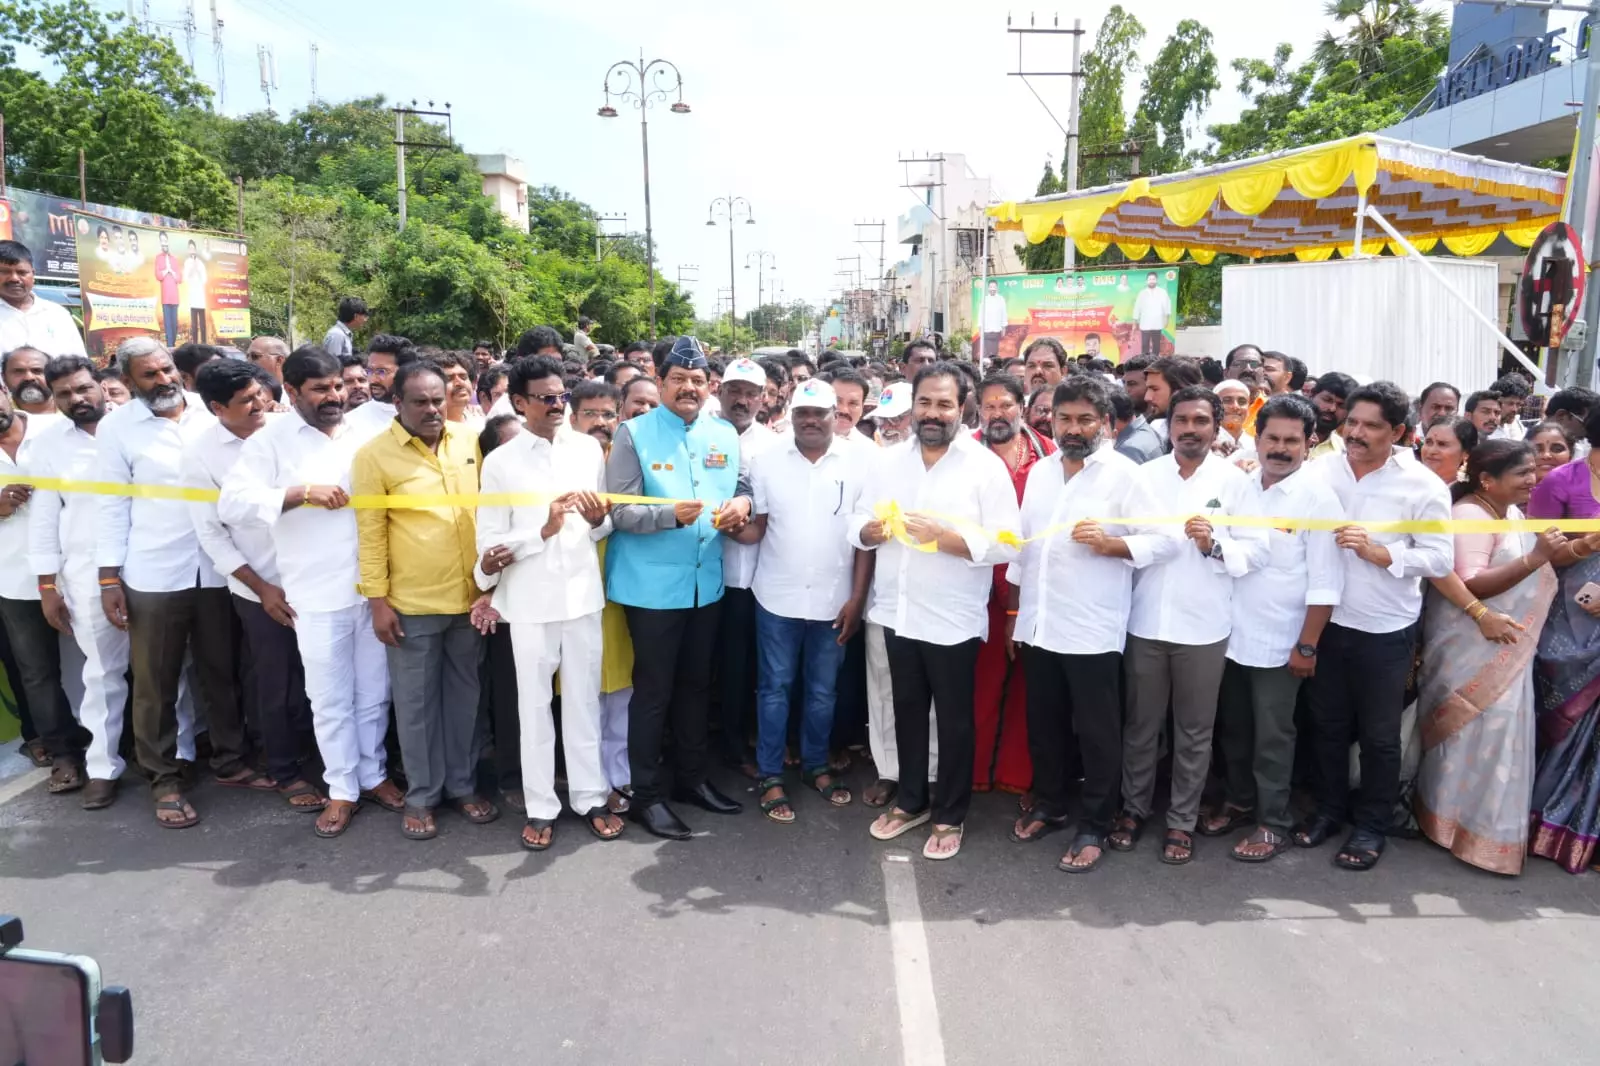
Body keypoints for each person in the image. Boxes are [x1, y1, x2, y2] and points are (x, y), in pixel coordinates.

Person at [219, 346, 404, 839]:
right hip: (315, 591)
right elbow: (232, 503)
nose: (335, 396)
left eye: (339, 386)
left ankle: (374, 776)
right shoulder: (270, 440)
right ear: (293, 391)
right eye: (321, 389)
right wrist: (298, 494)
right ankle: (342, 787)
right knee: (328, 697)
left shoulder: (368, 431)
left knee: (373, 693)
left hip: (374, 587)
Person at [852, 362, 1021, 860]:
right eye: (925, 402)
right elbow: (856, 523)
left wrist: (944, 539)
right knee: (905, 711)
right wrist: (870, 532)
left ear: (962, 407)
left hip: (951, 618)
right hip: (897, 612)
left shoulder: (984, 466)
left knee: (953, 720)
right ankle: (911, 801)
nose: (933, 413)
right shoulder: (887, 463)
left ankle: (950, 813)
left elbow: (1006, 542)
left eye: (944, 404)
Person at [1006, 376, 1166, 872]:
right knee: (1045, 724)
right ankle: (1052, 803)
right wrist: (1015, 615)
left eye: (1084, 420)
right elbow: (1025, 545)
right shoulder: (1041, 472)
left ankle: (1095, 822)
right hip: (1038, 623)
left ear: (1106, 423)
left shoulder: (1125, 475)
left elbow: (1163, 541)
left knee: (1098, 733)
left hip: (1092, 629)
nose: (1072, 429)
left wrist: (1112, 544)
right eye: (1064, 419)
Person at [1295, 381, 1454, 871]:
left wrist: (1380, 553)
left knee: (1380, 735)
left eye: (1370, 426)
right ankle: (1328, 810)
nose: (1356, 434)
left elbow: (1439, 557)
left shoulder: (1422, 485)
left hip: (1385, 629)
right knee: (1326, 724)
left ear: (1400, 431)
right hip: (1327, 621)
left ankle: (1371, 826)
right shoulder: (1321, 469)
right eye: (1352, 423)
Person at [604, 337, 752, 840]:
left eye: (698, 381)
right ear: (661, 382)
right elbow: (617, 510)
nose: (689, 388)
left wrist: (744, 507)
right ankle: (646, 796)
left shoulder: (725, 432)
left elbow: (741, 486)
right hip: (651, 588)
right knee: (653, 693)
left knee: (696, 687)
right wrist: (669, 515)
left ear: (709, 386)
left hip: (703, 583)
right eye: (678, 380)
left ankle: (692, 780)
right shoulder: (633, 433)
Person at [1112, 386, 1266, 865]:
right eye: (1182, 421)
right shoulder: (1145, 477)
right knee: (1141, 725)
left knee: (1195, 731)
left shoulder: (1236, 482)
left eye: (1201, 421)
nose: (1190, 430)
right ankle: (1133, 809)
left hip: (1204, 627)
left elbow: (1257, 551)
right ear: (1169, 426)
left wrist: (1214, 544)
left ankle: (1180, 821)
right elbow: (1123, 540)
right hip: (1146, 620)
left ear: (1216, 427)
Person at [96, 338, 246, 828]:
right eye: (148, 375)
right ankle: (163, 778)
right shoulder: (118, 428)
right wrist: (108, 577)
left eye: (165, 369)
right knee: (155, 682)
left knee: (221, 672)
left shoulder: (212, 413)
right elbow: (112, 505)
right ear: (128, 382)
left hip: (220, 568)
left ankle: (230, 761)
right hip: (154, 571)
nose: (162, 381)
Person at [476, 355, 620, 848]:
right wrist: (543, 530)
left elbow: (601, 527)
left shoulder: (586, 450)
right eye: (546, 398)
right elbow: (489, 543)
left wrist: (600, 517)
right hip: (530, 600)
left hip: (581, 595)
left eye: (562, 396)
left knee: (583, 702)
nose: (558, 405)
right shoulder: (500, 462)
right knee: (534, 708)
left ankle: (590, 796)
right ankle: (541, 805)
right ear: (519, 402)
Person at [352, 360, 498, 841]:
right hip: (411, 605)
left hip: (470, 600)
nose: (433, 409)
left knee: (466, 700)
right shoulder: (374, 457)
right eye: (420, 402)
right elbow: (370, 536)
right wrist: (377, 602)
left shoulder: (469, 440)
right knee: (415, 707)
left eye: (438, 399)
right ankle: (422, 795)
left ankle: (462, 785)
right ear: (397, 403)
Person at [1206, 395, 1342, 862]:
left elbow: (1326, 584)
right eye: (1272, 438)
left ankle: (1274, 822)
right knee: (1235, 730)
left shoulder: (1318, 499)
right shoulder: (1243, 486)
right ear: (1257, 438)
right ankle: (1241, 801)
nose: (1280, 449)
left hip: (1281, 642)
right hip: (1230, 635)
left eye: (1291, 441)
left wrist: (1307, 645)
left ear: (1310, 443)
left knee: (1273, 737)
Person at [185, 359, 325, 812]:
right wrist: (262, 588)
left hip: (318, 577)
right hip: (261, 587)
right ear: (216, 408)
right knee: (276, 681)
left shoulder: (288, 429)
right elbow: (212, 535)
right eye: (246, 401)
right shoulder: (200, 456)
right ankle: (284, 769)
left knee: (323, 678)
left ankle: (328, 763)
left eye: (261, 393)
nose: (260, 404)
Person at [1415, 440, 1560, 875]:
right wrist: (1536, 558)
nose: (1533, 480)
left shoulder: (1510, 514)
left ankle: (1482, 831)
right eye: (1522, 474)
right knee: (1473, 734)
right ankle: (1448, 823)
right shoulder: (1469, 517)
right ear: (1487, 480)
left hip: (1505, 645)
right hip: (1472, 642)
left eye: (1533, 471)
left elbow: (1541, 561)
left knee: (1498, 738)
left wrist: (1577, 548)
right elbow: (1470, 584)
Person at [734, 379, 866, 821]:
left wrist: (858, 599)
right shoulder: (767, 460)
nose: (810, 421)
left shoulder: (862, 461)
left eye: (819, 413)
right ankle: (771, 776)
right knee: (774, 690)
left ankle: (815, 766)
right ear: (791, 414)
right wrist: (726, 525)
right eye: (802, 413)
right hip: (777, 597)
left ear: (836, 415)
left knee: (823, 692)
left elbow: (866, 542)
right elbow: (759, 527)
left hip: (835, 599)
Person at [31, 357, 123, 808]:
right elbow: (45, 519)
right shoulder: (49, 446)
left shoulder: (134, 428)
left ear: (103, 387)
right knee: (102, 674)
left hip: (149, 569)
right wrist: (47, 586)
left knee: (172, 669)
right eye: (65, 394)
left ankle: (177, 756)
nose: (77, 399)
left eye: (83, 388)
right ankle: (104, 767)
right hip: (85, 577)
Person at [972, 373, 1054, 795]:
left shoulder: (1049, 454)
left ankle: (1016, 776)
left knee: (1028, 688)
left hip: (1035, 588)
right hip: (979, 585)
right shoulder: (963, 452)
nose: (997, 414)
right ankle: (975, 773)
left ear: (1022, 407)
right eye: (989, 406)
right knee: (981, 685)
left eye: (1006, 405)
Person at [1526, 406, 1600, 873]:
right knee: (1563, 721)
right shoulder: (1562, 483)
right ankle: (1547, 821)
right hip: (1569, 623)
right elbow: (1537, 559)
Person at [0, 369, 81, 794]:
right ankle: (64, 755)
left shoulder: (55, 428)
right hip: (17, 580)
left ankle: (126, 747)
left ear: (4, 391)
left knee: (111, 666)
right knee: (38, 673)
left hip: (83, 569)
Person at [710, 358, 777, 776]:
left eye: (751, 392)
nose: (742, 399)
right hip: (708, 571)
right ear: (719, 391)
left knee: (751, 667)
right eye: (735, 390)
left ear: (763, 398)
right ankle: (722, 745)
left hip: (758, 575)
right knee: (717, 667)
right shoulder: (701, 434)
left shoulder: (774, 445)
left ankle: (746, 743)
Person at [0, 241, 86, 358]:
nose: (14, 278)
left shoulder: (57, 314)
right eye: (4, 272)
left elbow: (79, 362)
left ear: (33, 275)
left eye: (22, 272)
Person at [347, 334, 416, 439]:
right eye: (369, 371)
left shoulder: (425, 415)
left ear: (406, 372)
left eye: (381, 372)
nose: (373, 379)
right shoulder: (351, 424)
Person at [1306, 371, 1357, 459]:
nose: (1332, 409)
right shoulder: (1283, 437)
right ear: (1312, 395)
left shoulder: (1345, 452)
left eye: (1342, 405)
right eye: (1327, 400)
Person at [1418, 415, 1477, 484]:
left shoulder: (1469, 493)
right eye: (1428, 442)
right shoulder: (1407, 484)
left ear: (1466, 454)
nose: (1432, 451)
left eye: (1442, 444)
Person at [3, 346, 57, 420]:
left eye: (37, 370)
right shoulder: (3, 414)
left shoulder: (72, 407)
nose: (29, 377)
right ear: (4, 378)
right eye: (19, 371)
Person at [1544, 387, 1597, 458]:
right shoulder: (1527, 446)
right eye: (1586, 423)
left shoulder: (1580, 449)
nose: (1590, 430)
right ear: (1561, 415)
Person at [1131, 272, 1171, 357]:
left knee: (1156, 345)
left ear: (1156, 280)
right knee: (1144, 345)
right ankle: (1144, 363)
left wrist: (1167, 319)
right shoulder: (1142, 293)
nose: (1151, 281)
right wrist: (1134, 323)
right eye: (1150, 279)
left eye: (1153, 279)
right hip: (1145, 324)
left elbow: (1167, 306)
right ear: (1146, 281)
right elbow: (1137, 308)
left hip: (1157, 323)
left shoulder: (1162, 292)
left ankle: (1154, 363)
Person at [153, 232, 182, 347]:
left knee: (174, 324)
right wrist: (166, 270)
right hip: (165, 297)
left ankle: (173, 344)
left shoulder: (174, 259)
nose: (164, 243)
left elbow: (179, 278)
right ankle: (170, 347)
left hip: (175, 297)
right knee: (168, 324)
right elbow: (158, 275)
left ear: (168, 242)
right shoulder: (158, 258)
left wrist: (173, 272)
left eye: (165, 240)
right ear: (160, 243)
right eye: (162, 241)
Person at [1213, 379, 1254, 457]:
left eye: (1242, 402)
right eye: (1227, 401)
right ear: (1214, 407)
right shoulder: (1205, 444)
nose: (1235, 406)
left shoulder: (1256, 446)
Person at [182, 240, 209, 344]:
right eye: (190, 248)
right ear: (188, 250)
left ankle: (204, 343)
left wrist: (198, 269)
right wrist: (192, 269)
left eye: (193, 248)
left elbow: (205, 279)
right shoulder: (187, 262)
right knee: (194, 323)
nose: (192, 250)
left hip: (200, 294)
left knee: (202, 323)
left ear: (196, 250)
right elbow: (185, 278)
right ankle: (195, 343)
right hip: (192, 294)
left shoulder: (201, 263)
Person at [980, 281, 1008, 362]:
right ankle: (987, 366)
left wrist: (1004, 328)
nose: (992, 289)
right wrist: (980, 328)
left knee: (995, 350)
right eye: (991, 287)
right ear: (988, 288)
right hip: (986, 330)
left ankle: (994, 366)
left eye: (994, 287)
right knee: (987, 351)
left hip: (997, 329)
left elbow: (1004, 314)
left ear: (997, 288)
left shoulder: (1001, 299)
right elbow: (980, 314)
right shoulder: (984, 299)